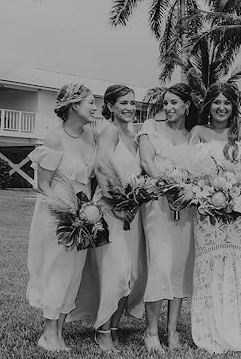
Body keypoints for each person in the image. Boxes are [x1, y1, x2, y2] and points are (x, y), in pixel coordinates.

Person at [188, 82, 241, 353]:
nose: (221, 107)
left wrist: (239, 191)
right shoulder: (198, 132)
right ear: (208, 105)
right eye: (216, 102)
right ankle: (209, 329)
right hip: (208, 212)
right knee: (210, 265)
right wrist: (211, 193)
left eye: (226, 103)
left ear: (233, 106)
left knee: (238, 267)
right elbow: (192, 172)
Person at [67, 85, 147, 352]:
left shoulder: (133, 136)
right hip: (112, 211)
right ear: (110, 106)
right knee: (116, 272)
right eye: (123, 102)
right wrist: (116, 203)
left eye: (132, 103)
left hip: (131, 212)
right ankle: (102, 331)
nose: (129, 108)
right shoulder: (110, 131)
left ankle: (113, 329)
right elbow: (102, 168)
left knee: (130, 274)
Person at [27, 83, 98, 351]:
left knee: (74, 274)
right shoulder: (54, 138)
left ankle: (60, 332)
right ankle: (48, 333)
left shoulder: (91, 136)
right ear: (74, 105)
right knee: (57, 270)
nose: (95, 108)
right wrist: (66, 210)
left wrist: (88, 213)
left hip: (84, 216)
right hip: (57, 215)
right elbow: (42, 184)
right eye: (91, 102)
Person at [138, 83, 197, 353]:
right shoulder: (151, 127)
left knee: (179, 269)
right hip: (157, 204)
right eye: (166, 102)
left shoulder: (193, 136)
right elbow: (147, 162)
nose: (169, 107)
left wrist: (184, 191)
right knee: (160, 265)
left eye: (175, 102)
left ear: (187, 105)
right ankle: (151, 333)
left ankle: (172, 331)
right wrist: (167, 185)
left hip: (185, 208)